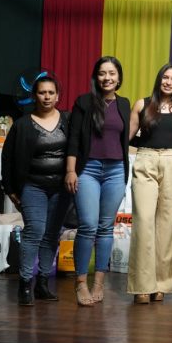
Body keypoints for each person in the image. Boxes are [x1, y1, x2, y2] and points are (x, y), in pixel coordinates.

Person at [65, 56, 131, 307]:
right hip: (88, 170)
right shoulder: (84, 102)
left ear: (119, 77)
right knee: (88, 226)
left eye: (112, 73)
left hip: (116, 171)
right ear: (96, 77)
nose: (107, 78)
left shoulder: (124, 104)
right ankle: (81, 282)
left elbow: (129, 135)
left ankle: (99, 283)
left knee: (105, 228)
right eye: (102, 73)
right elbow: (73, 139)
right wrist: (71, 171)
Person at [1, 75, 71, 306]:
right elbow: (7, 158)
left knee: (52, 234)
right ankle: (25, 284)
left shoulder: (68, 120)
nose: (47, 97)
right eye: (42, 92)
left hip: (61, 188)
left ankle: (42, 283)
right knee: (35, 231)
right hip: (33, 186)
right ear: (34, 96)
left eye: (51, 92)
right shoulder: (22, 125)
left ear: (58, 96)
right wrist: (10, 188)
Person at [127, 64, 172, 304]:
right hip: (146, 159)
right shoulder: (142, 105)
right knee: (144, 221)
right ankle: (142, 285)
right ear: (159, 79)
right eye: (165, 77)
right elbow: (127, 138)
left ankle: (162, 283)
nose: (169, 82)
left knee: (167, 225)